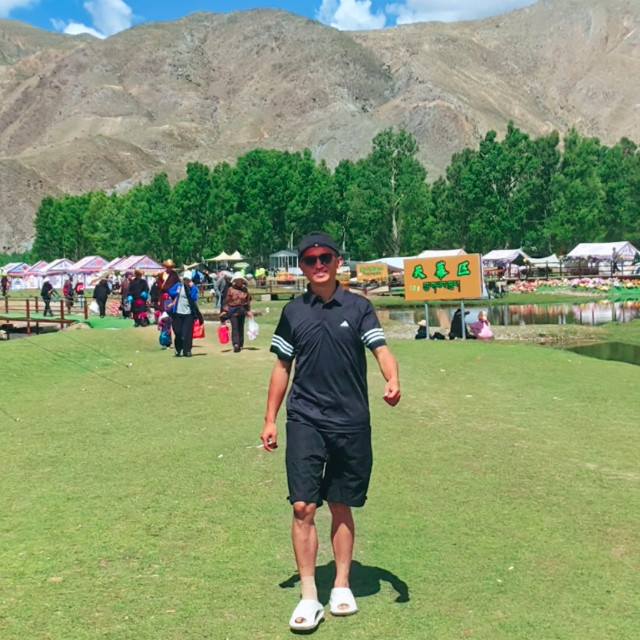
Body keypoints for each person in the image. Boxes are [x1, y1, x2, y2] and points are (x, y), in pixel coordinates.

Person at [260, 231, 401, 632]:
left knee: (341, 504)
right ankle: (309, 596)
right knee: (302, 506)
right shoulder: (293, 312)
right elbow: (282, 367)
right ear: (301, 267)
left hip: (350, 421)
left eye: (325, 258)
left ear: (338, 261)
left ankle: (341, 585)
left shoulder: (359, 308)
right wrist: (270, 418)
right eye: (310, 260)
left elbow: (381, 349)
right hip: (305, 418)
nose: (318, 265)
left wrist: (392, 379)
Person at [167, 270, 200, 357]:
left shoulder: (193, 288)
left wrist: (192, 288)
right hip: (178, 313)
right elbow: (170, 291)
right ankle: (178, 349)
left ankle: (187, 350)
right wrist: (176, 292)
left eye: (188, 280)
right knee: (178, 332)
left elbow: (193, 298)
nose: (186, 281)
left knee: (187, 333)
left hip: (188, 314)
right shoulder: (179, 285)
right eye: (185, 279)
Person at [221, 272, 252, 353]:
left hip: (242, 310)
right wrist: (224, 311)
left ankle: (240, 344)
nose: (239, 281)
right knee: (235, 327)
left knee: (241, 327)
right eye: (237, 280)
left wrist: (249, 311)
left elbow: (247, 301)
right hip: (233, 311)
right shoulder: (230, 289)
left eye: (240, 280)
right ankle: (236, 344)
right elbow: (225, 301)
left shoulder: (245, 289)